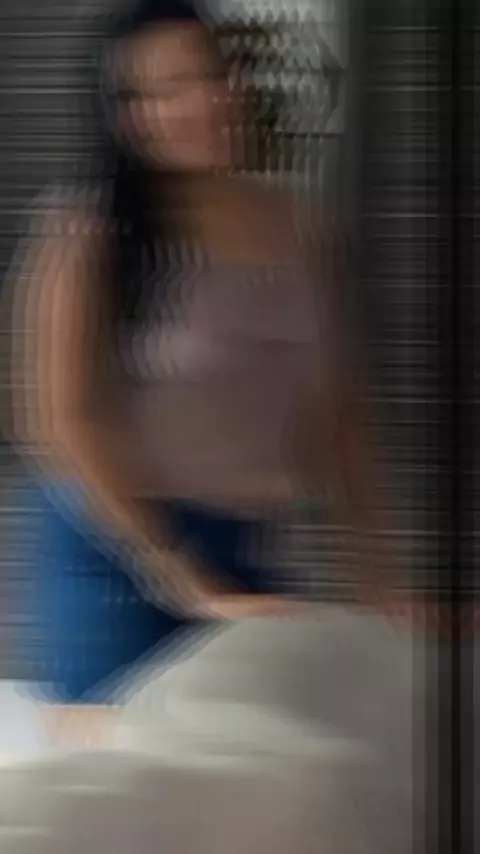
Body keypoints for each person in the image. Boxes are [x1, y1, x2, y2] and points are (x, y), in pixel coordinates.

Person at [9, 0, 398, 734]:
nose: (196, 103)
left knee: (264, 759)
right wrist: (179, 574)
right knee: (123, 772)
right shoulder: (87, 235)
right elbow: (59, 424)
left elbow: (338, 418)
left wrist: (380, 580)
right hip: (119, 553)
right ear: (127, 116)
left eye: (208, 74)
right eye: (160, 91)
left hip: (248, 540)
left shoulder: (306, 229)